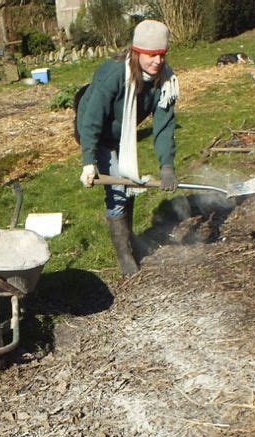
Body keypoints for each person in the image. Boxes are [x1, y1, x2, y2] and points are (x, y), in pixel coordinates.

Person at [76, 19, 179, 276]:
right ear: (137, 51)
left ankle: (128, 239)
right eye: (151, 55)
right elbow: (91, 119)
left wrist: (167, 166)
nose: (158, 61)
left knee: (129, 184)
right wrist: (88, 160)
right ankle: (124, 255)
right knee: (118, 188)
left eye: (162, 55)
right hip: (95, 131)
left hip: (124, 133)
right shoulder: (113, 74)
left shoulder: (164, 82)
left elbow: (164, 127)